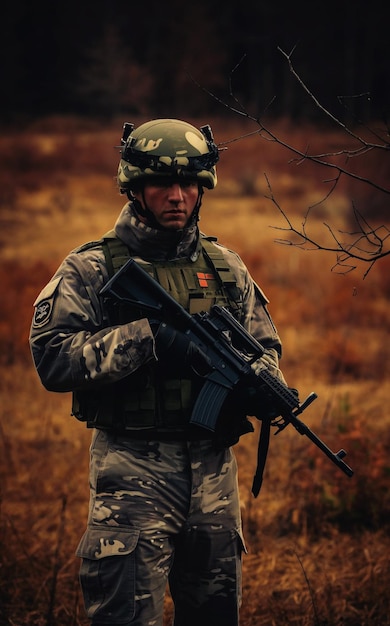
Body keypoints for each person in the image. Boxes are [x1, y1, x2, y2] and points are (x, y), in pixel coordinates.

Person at [29, 118, 286, 626]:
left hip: (213, 476)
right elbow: (53, 356)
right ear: (134, 187)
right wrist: (147, 341)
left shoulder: (226, 267)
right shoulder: (91, 269)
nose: (176, 195)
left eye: (189, 183)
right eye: (162, 183)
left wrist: (263, 383)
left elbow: (266, 345)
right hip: (132, 474)